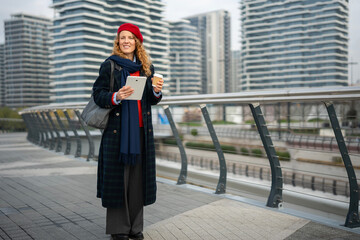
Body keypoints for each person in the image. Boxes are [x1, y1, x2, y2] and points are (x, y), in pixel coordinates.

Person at [93, 23, 163, 240]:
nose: (126, 41)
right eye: (122, 37)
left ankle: (135, 228)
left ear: (137, 42)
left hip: (141, 133)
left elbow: (150, 100)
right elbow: (98, 94)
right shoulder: (110, 66)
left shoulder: (146, 67)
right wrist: (117, 96)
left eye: (130, 38)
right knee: (118, 182)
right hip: (117, 133)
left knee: (137, 182)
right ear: (118, 41)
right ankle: (118, 229)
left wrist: (157, 91)